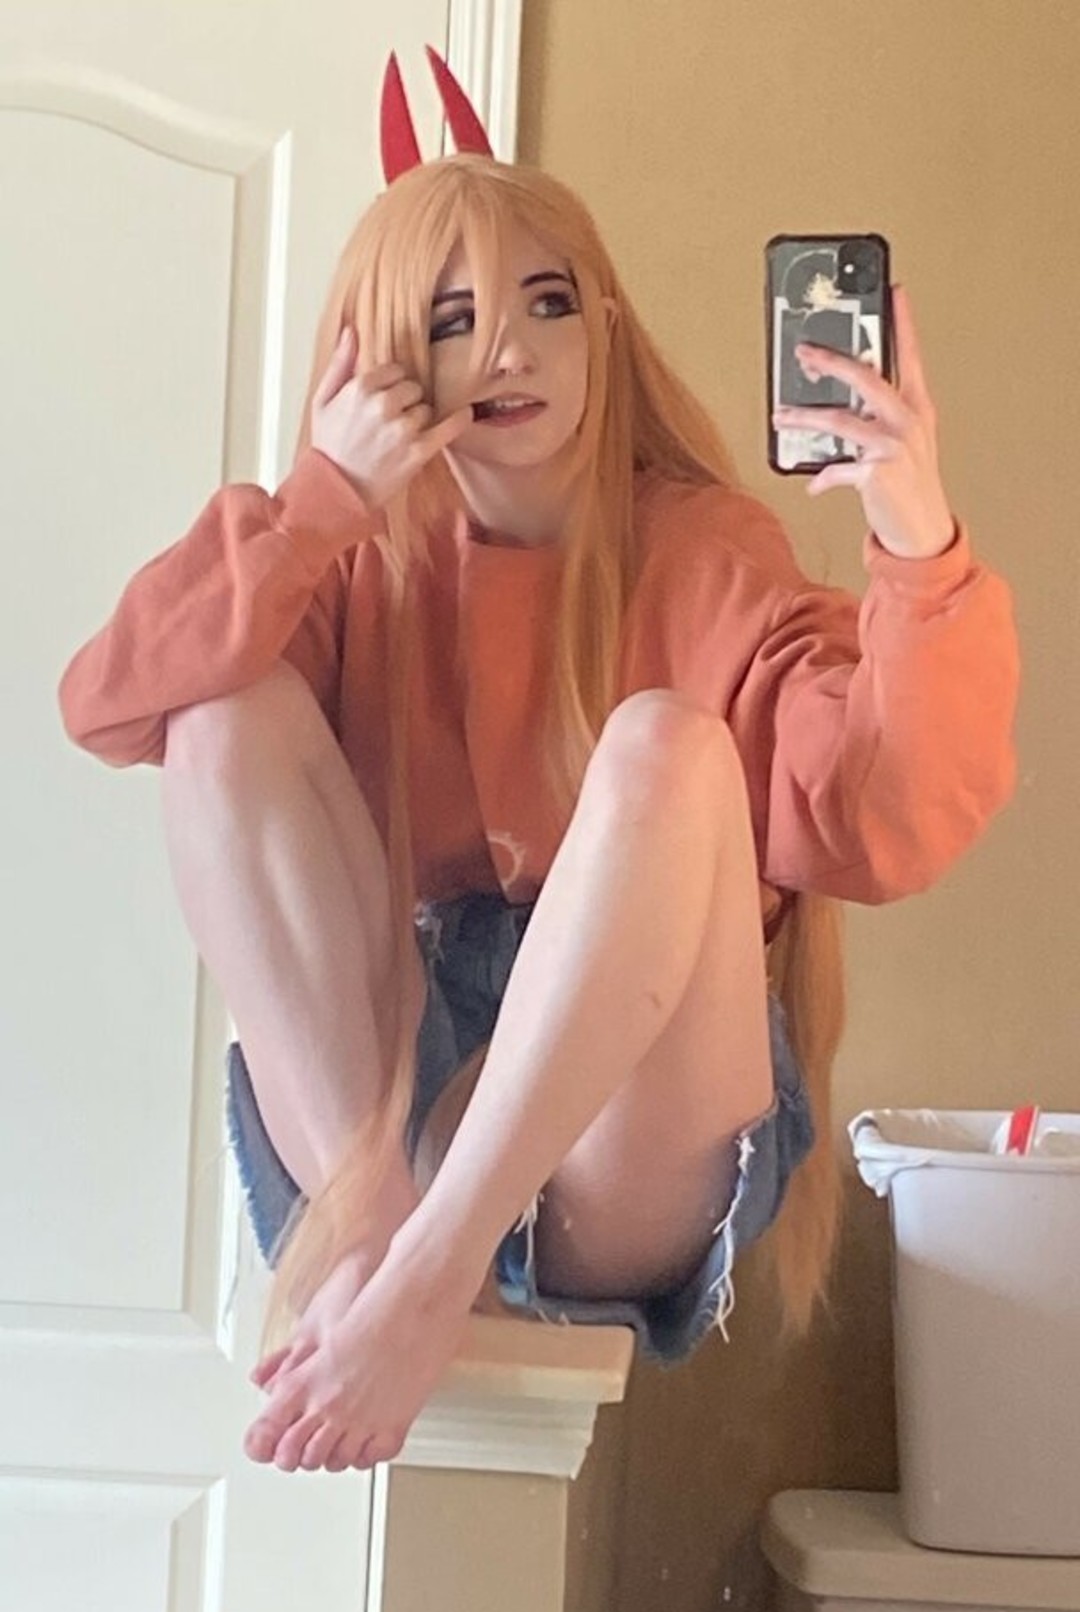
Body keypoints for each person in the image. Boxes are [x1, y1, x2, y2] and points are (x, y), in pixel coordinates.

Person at [57, 112, 1019, 1476]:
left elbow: (890, 813)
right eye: (453, 319)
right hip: (382, 1100)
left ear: (603, 330)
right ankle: (379, 1228)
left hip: (633, 1120)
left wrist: (916, 535)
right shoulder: (350, 556)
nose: (508, 348)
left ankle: (424, 1271)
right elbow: (113, 702)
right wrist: (321, 501)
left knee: (666, 747)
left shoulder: (709, 554)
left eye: (548, 302)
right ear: (386, 363)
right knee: (215, 705)